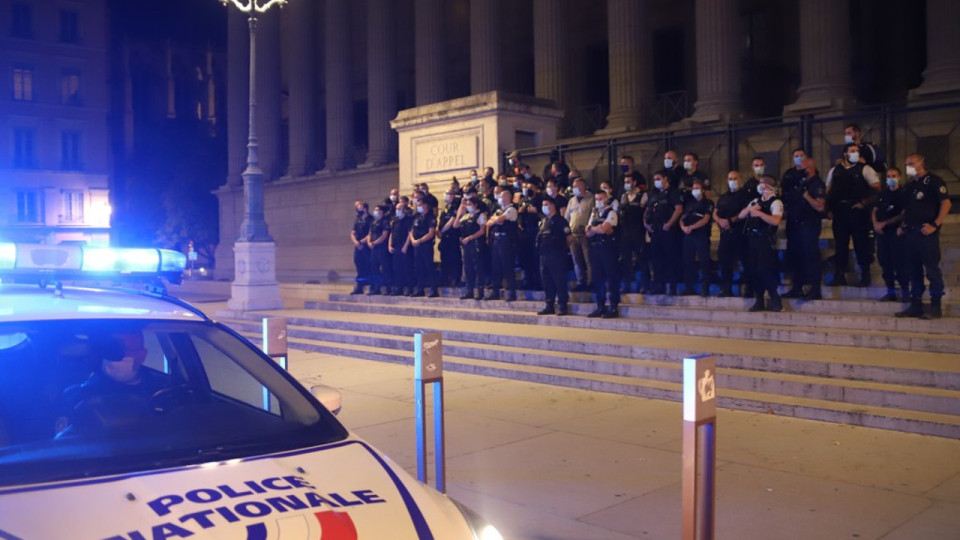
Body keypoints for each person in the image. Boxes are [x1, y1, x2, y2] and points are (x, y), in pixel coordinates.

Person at [56, 331, 165, 435]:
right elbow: (66, 442)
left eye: (123, 351)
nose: (115, 358)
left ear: (141, 356)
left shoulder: (165, 389)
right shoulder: (77, 395)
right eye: (109, 351)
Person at [895, 153, 951, 319]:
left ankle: (935, 305)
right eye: (907, 164)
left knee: (932, 269)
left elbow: (945, 203)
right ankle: (916, 304)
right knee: (913, 270)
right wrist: (903, 225)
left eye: (912, 163)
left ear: (921, 162)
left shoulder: (934, 181)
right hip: (910, 233)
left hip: (926, 233)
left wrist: (935, 224)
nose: (909, 167)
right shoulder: (910, 185)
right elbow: (907, 209)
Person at [825, 142, 881, 286]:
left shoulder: (865, 169)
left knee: (861, 243)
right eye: (852, 150)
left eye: (857, 151)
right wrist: (829, 209)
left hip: (858, 212)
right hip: (840, 212)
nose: (855, 153)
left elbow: (876, 189)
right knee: (840, 244)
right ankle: (839, 274)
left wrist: (864, 203)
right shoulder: (835, 170)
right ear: (845, 153)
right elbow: (828, 191)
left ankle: (865, 274)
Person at [781, 157, 826, 300]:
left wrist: (806, 196)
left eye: (802, 168)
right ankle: (797, 287)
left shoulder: (816, 184)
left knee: (811, 257)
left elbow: (820, 206)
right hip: (795, 224)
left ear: (809, 168)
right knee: (796, 257)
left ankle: (815, 289)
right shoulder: (799, 184)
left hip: (809, 225)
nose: (799, 171)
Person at [740, 176, 784, 312]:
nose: (761, 186)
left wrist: (759, 214)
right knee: (753, 269)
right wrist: (749, 210)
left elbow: (775, 221)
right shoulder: (755, 201)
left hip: (765, 239)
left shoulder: (776, 202)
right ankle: (759, 298)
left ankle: (774, 297)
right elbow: (741, 215)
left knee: (764, 269)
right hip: (752, 239)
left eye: (764, 184)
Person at [644, 171, 684, 295]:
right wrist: (645, 224)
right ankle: (658, 285)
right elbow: (647, 209)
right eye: (655, 179)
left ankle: (672, 286)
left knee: (671, 258)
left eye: (658, 178)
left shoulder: (673, 192)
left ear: (665, 179)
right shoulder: (654, 194)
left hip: (668, 230)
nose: (656, 181)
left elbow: (678, 209)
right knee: (656, 260)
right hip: (655, 231)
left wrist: (670, 223)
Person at [713, 171, 751, 297]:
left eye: (735, 178)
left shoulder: (745, 196)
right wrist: (720, 221)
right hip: (725, 234)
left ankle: (749, 288)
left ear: (740, 180)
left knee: (746, 261)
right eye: (730, 178)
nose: (732, 181)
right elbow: (715, 212)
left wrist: (730, 221)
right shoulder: (723, 197)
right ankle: (726, 288)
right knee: (724, 261)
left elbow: (745, 212)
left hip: (740, 233)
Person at [873, 167, 907, 302]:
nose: (891, 178)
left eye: (894, 176)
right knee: (885, 262)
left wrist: (885, 223)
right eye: (888, 176)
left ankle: (905, 292)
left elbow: (903, 214)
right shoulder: (882, 194)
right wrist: (876, 223)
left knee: (899, 263)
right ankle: (890, 291)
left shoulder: (903, 193)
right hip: (882, 234)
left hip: (896, 232)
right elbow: (875, 210)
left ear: (899, 177)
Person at [585, 190, 620, 318]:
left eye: (600, 198)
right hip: (595, 248)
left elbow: (604, 229)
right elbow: (587, 232)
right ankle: (600, 306)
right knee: (597, 279)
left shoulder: (611, 213)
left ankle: (613, 306)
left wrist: (594, 228)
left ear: (606, 199)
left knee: (611, 278)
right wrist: (596, 229)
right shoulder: (594, 214)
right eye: (596, 199)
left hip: (608, 248)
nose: (598, 201)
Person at [536, 198, 573, 316]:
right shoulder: (543, 221)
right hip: (544, 255)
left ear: (552, 206)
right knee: (547, 281)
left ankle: (562, 306)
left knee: (559, 281)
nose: (544, 207)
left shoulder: (561, 221)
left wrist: (561, 250)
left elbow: (569, 238)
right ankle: (549, 305)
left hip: (557, 255)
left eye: (546, 204)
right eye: (543, 204)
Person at [680, 179, 714, 296]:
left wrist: (693, 227)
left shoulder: (708, 203)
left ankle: (705, 287)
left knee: (704, 261)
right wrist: (684, 227)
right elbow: (682, 218)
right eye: (693, 188)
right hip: (689, 236)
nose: (695, 190)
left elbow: (706, 219)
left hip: (701, 235)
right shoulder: (690, 204)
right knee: (687, 260)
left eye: (697, 188)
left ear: (703, 190)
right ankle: (688, 286)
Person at [485, 190, 520, 301]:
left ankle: (511, 292)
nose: (499, 198)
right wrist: (496, 220)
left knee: (507, 266)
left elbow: (500, 220)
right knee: (496, 266)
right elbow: (489, 222)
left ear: (506, 198)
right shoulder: (499, 210)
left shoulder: (511, 209)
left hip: (507, 241)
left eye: (501, 196)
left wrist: (495, 220)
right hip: (496, 239)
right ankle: (495, 291)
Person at [456, 191, 489, 300]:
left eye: (470, 204)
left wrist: (470, 238)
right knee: (468, 267)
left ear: (475, 205)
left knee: (477, 267)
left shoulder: (480, 215)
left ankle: (480, 291)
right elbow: (456, 225)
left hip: (476, 243)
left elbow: (482, 230)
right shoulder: (466, 216)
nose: (468, 206)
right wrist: (459, 214)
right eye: (467, 204)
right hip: (466, 245)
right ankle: (469, 290)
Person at [619, 171, 648, 293]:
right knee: (626, 259)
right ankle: (627, 283)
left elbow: (645, 212)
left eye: (628, 182)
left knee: (642, 259)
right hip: (625, 232)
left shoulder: (642, 195)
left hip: (638, 231)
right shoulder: (623, 196)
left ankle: (645, 284)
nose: (626, 184)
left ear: (634, 183)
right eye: (625, 182)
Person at [566, 176, 595, 291]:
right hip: (573, 234)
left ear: (582, 186)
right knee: (576, 260)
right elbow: (567, 217)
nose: (574, 188)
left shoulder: (591, 198)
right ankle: (580, 281)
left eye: (576, 186)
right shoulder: (572, 200)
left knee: (588, 259)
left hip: (585, 233)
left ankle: (591, 281)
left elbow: (593, 215)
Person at [409, 198, 439, 297]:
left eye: (420, 205)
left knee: (428, 266)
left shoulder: (430, 217)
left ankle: (433, 289)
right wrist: (413, 240)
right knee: (418, 267)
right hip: (416, 245)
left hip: (426, 245)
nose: (418, 207)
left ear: (425, 205)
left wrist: (420, 240)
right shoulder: (416, 216)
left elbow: (431, 233)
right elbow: (411, 230)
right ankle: (420, 288)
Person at [517, 180, 544, 290]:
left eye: (529, 187)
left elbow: (544, 216)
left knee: (536, 257)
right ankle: (527, 280)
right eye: (525, 187)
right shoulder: (523, 200)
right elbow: (518, 214)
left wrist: (536, 212)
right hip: (524, 232)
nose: (527, 189)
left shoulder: (539, 200)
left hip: (536, 230)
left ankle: (538, 281)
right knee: (525, 258)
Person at [388, 197, 415, 296]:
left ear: (404, 210)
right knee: (397, 268)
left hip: (405, 247)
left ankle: (409, 288)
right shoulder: (395, 221)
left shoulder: (408, 220)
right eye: (396, 209)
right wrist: (389, 245)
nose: (397, 211)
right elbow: (392, 233)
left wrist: (406, 246)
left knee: (406, 268)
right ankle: (398, 287)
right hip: (396, 247)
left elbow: (409, 233)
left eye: (399, 209)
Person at [437, 189, 463, 288]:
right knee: (445, 259)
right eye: (446, 193)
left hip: (453, 237)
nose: (446, 195)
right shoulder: (445, 208)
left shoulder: (455, 207)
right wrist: (438, 230)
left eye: (449, 194)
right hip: (444, 239)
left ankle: (455, 279)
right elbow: (440, 220)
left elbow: (452, 221)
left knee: (454, 259)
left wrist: (442, 231)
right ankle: (445, 279)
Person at [366, 203, 392, 295]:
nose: (375, 212)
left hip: (382, 248)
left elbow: (384, 235)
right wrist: (369, 242)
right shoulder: (373, 222)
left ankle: (387, 288)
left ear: (382, 212)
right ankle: (376, 288)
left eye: (377, 210)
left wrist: (374, 243)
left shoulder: (385, 222)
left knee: (385, 268)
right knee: (374, 268)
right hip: (373, 249)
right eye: (375, 210)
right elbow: (369, 234)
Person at [350, 201, 373, 294]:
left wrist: (361, 242)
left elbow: (370, 233)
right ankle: (359, 285)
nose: (357, 208)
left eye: (358, 207)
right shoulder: (358, 219)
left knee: (368, 265)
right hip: (358, 246)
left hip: (366, 246)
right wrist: (356, 242)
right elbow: (353, 232)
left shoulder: (371, 219)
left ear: (364, 208)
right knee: (358, 264)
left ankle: (370, 285)